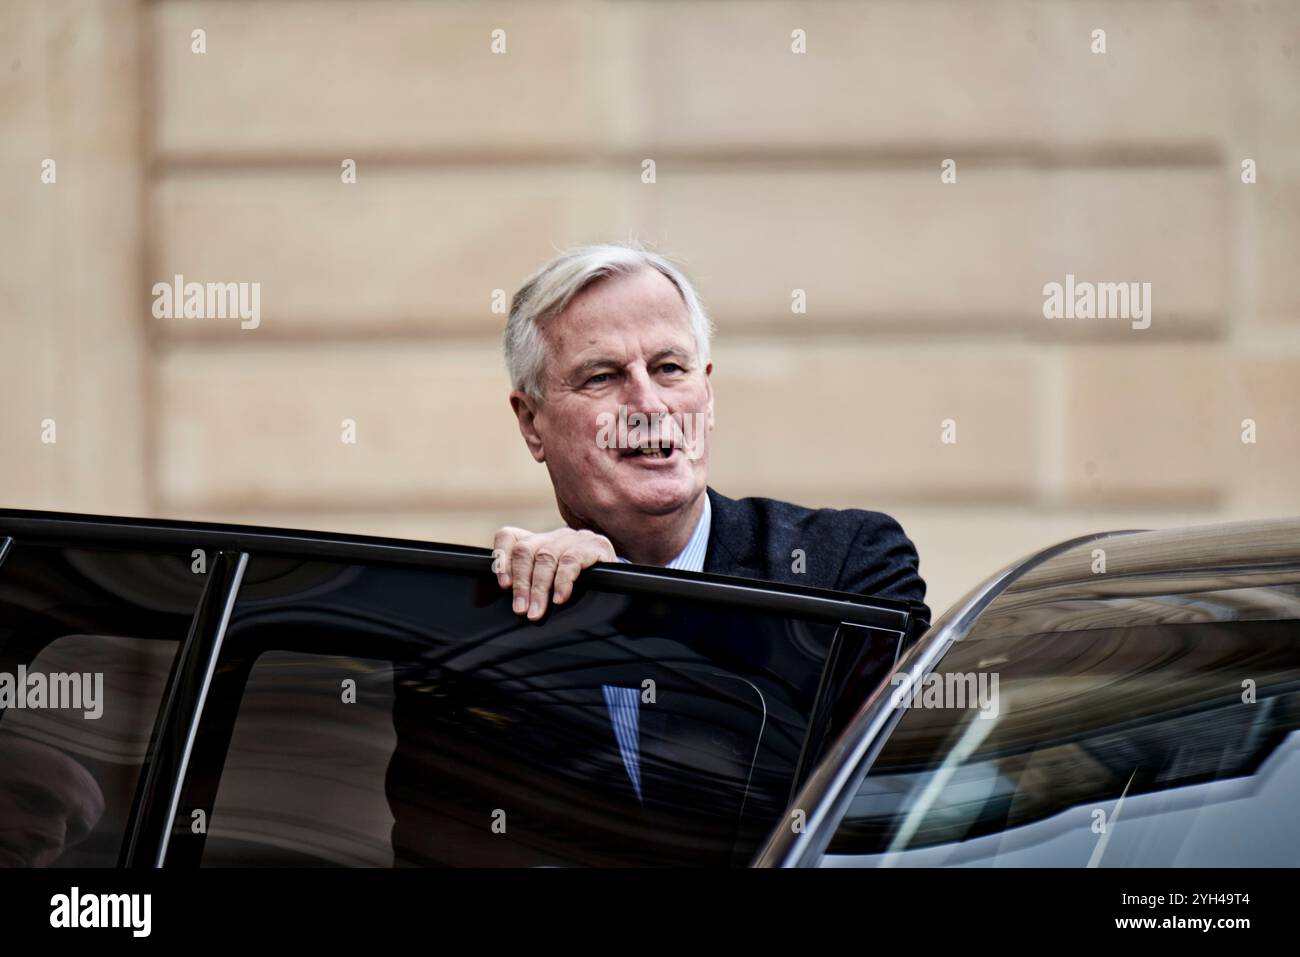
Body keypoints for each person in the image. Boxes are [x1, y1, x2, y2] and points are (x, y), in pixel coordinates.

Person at [495, 241, 929, 622]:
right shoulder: (498, 615)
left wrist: (630, 598)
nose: (648, 404)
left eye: (669, 368)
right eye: (602, 377)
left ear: (707, 391)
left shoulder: (845, 565)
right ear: (532, 424)